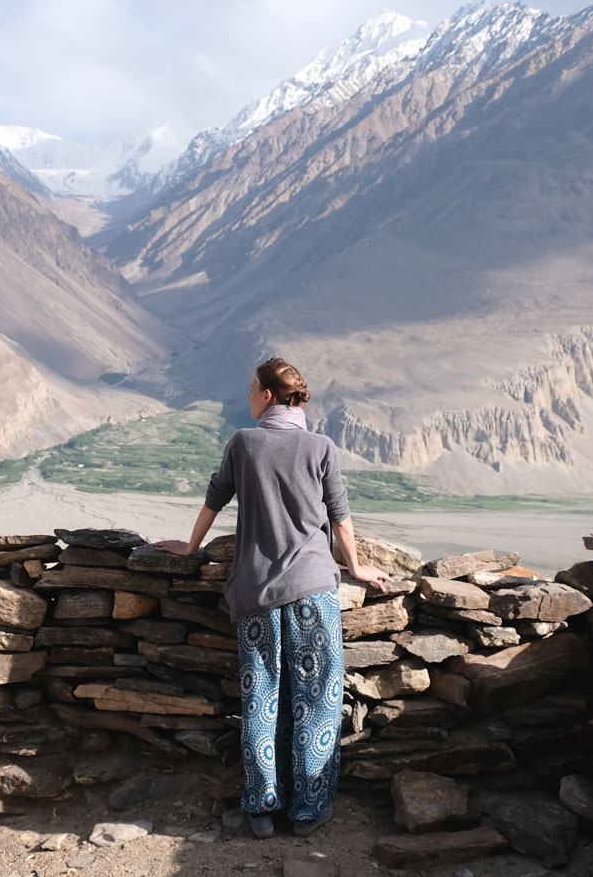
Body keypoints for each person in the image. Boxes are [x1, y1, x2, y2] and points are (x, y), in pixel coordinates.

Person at [156, 357, 392, 838]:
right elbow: (341, 518)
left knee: (261, 698)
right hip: (312, 590)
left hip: (256, 592)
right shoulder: (321, 447)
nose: (247, 397)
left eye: (251, 389)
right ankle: (308, 810)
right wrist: (356, 567)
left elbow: (214, 498)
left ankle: (262, 807)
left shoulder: (244, 444)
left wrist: (192, 546)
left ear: (267, 395)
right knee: (317, 699)